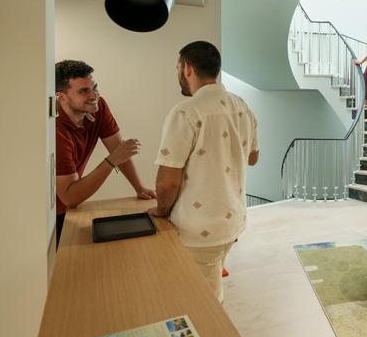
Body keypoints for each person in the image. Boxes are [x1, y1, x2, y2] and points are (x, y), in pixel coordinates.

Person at [149, 41, 259, 302]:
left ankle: (213, 329)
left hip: (198, 229)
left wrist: (161, 210)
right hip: (233, 221)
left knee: (204, 302)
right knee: (209, 288)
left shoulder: (186, 111)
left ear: (187, 68)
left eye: (178, 68)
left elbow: (168, 182)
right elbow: (253, 158)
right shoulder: (242, 105)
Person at [55, 60, 155, 246]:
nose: (94, 95)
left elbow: (118, 149)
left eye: (94, 87)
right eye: (83, 91)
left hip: (67, 207)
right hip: (47, 212)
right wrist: (111, 161)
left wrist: (139, 188)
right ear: (61, 98)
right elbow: (69, 198)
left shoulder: (98, 107)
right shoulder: (56, 131)